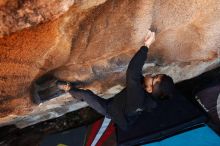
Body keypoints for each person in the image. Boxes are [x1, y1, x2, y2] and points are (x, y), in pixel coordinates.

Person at [57, 30, 175, 130]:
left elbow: (133, 72)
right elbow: (136, 75)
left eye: (154, 78)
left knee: (87, 95)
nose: (152, 74)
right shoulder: (145, 88)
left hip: (111, 110)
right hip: (122, 104)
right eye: (156, 74)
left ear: (149, 89)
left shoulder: (138, 98)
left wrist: (146, 45)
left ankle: (69, 89)